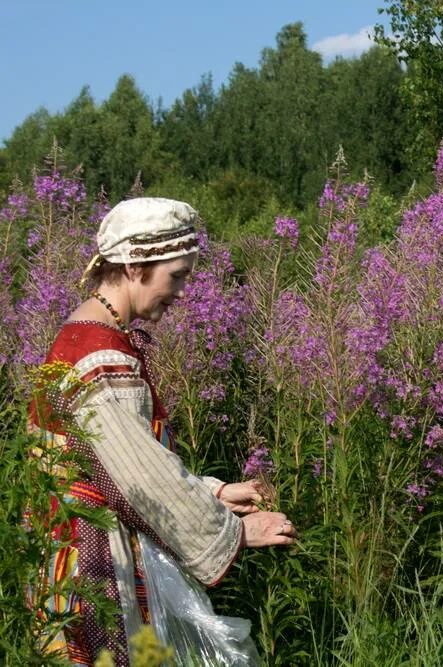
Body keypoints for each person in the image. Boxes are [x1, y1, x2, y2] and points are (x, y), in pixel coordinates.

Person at [28, 197, 295, 665]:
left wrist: (213, 492)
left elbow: (131, 454)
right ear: (135, 266)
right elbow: (139, 480)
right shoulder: (100, 357)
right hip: (93, 559)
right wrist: (231, 533)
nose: (181, 290)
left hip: (73, 544)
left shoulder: (80, 335)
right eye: (177, 274)